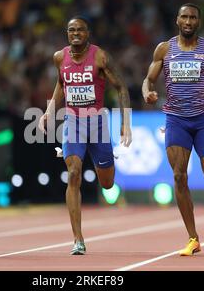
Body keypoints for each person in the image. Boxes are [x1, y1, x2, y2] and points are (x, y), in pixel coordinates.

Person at [141, 3, 204, 256]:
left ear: (198, 22)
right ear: (177, 20)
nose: (188, 21)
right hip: (176, 121)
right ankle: (193, 238)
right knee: (179, 176)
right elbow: (148, 79)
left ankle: (195, 230)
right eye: (184, 16)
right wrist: (147, 92)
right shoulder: (164, 49)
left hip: (203, 121)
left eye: (193, 17)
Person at [38, 16, 132, 255]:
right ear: (67, 34)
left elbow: (121, 87)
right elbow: (61, 84)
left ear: (87, 33)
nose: (76, 33)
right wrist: (49, 111)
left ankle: (108, 165)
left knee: (107, 183)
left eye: (80, 30)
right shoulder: (60, 57)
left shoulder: (100, 57)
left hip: (98, 123)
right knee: (73, 173)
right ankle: (78, 239)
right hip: (73, 123)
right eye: (71, 30)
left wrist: (125, 123)